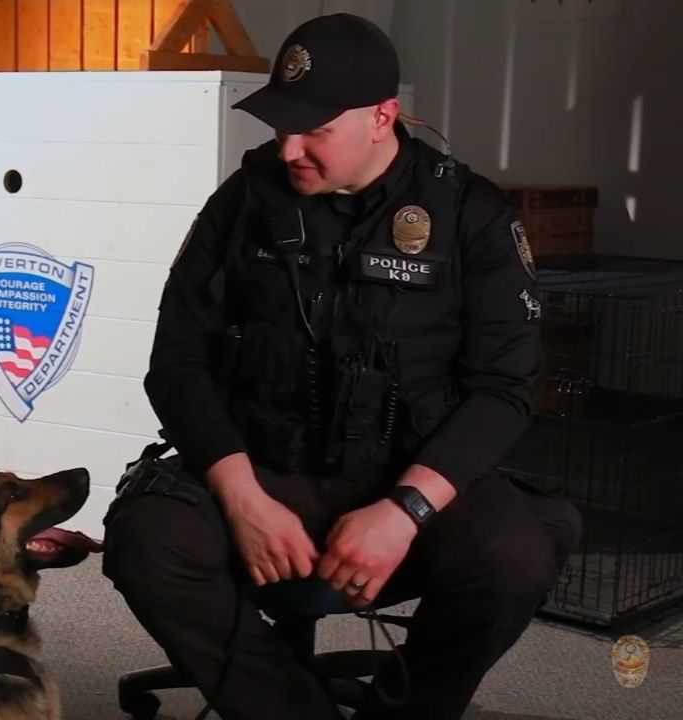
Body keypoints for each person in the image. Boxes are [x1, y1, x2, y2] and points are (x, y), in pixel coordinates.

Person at [102, 13, 582, 720]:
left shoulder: (469, 214)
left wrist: (405, 510)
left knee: (516, 553)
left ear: (382, 117)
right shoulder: (243, 201)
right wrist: (240, 496)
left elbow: (503, 390)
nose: (288, 148)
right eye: (281, 126)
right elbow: (176, 361)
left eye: (314, 130)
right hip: (263, 466)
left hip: (411, 472)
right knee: (147, 543)